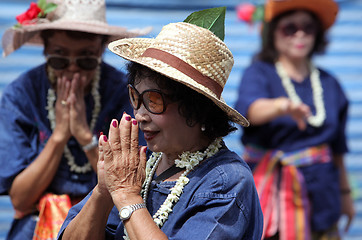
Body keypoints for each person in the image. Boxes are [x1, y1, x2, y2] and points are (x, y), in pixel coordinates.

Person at [57, 10, 264, 240]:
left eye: (153, 101)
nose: (139, 115)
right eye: (135, 98)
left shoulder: (226, 180)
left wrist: (127, 196)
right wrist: (104, 191)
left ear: (197, 110)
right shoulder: (138, 167)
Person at [0, 0, 150, 239]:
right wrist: (59, 136)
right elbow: (20, 199)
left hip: (106, 224)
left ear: (101, 50)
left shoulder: (125, 93)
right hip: (36, 225)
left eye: (86, 60)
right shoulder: (22, 94)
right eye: (59, 59)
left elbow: (132, 186)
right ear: (46, 49)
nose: (72, 70)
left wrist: (83, 135)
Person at [234, 0, 355, 239]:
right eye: (290, 27)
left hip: (322, 197)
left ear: (317, 35)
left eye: (308, 28)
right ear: (273, 33)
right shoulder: (259, 73)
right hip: (270, 196)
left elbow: (337, 150)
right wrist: (283, 106)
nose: (300, 34)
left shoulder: (330, 84)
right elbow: (249, 112)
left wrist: (345, 196)